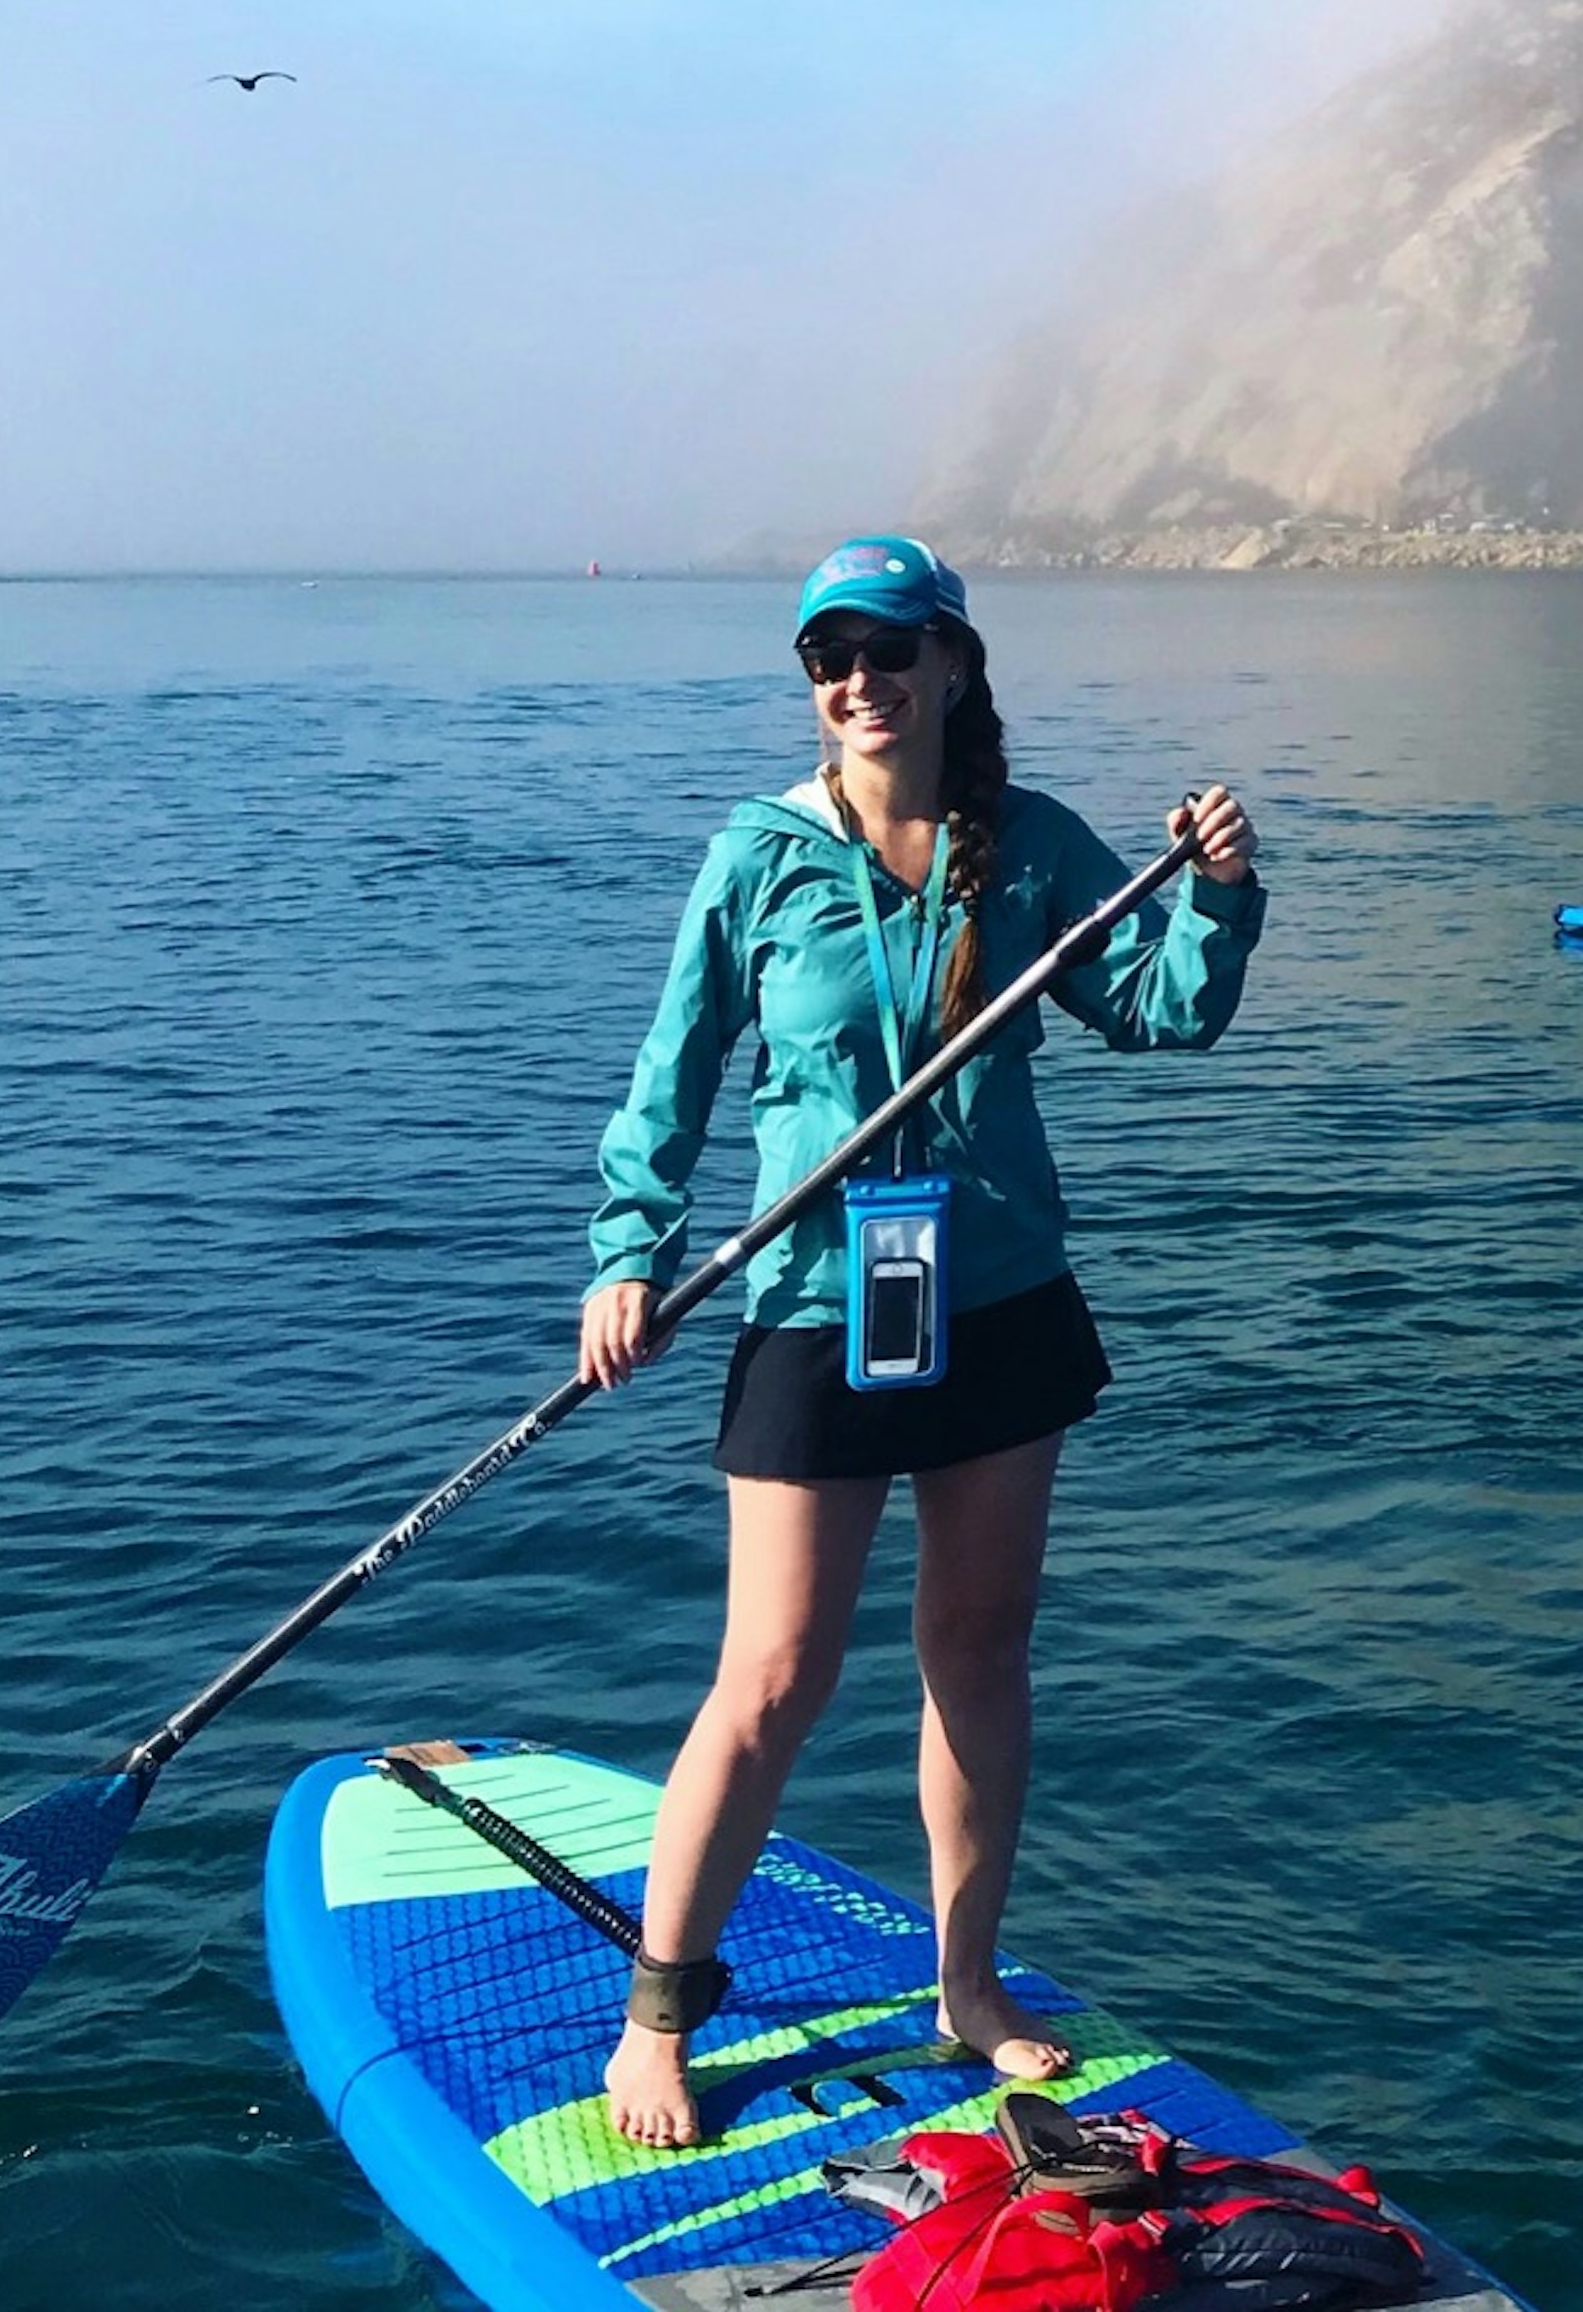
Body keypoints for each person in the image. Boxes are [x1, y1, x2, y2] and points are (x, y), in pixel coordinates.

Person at [579, 535, 1261, 2148]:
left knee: (979, 1646)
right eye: (832, 658)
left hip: (1001, 1292)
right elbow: (669, 1077)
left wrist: (1223, 896)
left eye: (890, 650)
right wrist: (630, 1254)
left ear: (954, 661)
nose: (860, 682)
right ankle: (659, 2009)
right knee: (774, 1675)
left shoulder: (1029, 844)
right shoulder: (759, 856)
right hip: (817, 1297)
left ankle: (970, 1984)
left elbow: (1169, 1012)